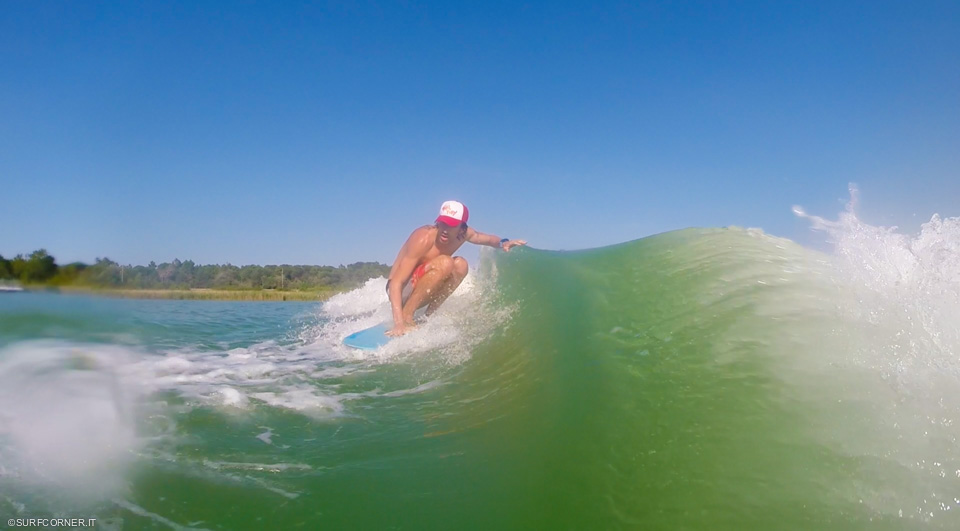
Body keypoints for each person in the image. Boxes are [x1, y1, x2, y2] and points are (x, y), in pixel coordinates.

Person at [385, 200, 526, 336]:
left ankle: (427, 317)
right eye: (443, 223)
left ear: (461, 228)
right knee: (445, 262)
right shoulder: (423, 238)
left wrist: (504, 243)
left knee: (461, 265)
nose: (445, 230)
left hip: (423, 288)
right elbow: (396, 282)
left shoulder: (464, 234)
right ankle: (407, 317)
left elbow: (488, 239)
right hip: (400, 290)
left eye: (452, 225)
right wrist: (398, 323)